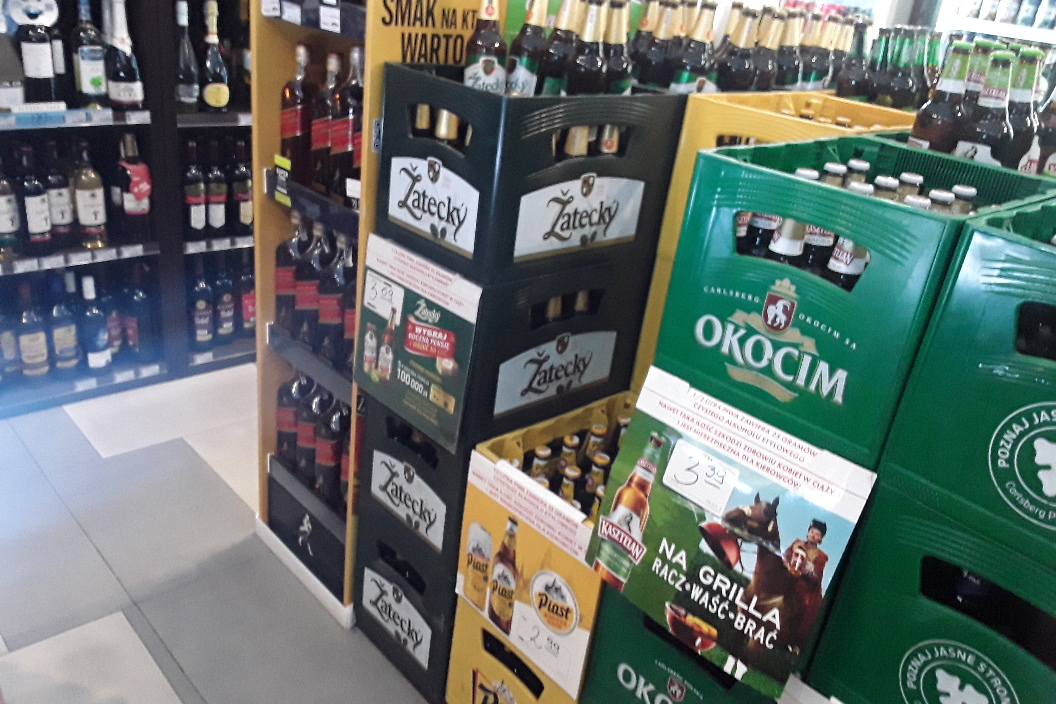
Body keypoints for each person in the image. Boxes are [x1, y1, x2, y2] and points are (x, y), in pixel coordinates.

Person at [782, 519, 829, 650]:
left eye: (817, 534)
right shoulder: (797, 544)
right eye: (812, 532)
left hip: (804, 586)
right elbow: (785, 557)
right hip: (788, 576)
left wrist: (810, 571)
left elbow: (817, 578)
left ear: (820, 539)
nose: (813, 535)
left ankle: (791, 642)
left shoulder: (821, 557)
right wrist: (787, 564)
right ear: (807, 533)